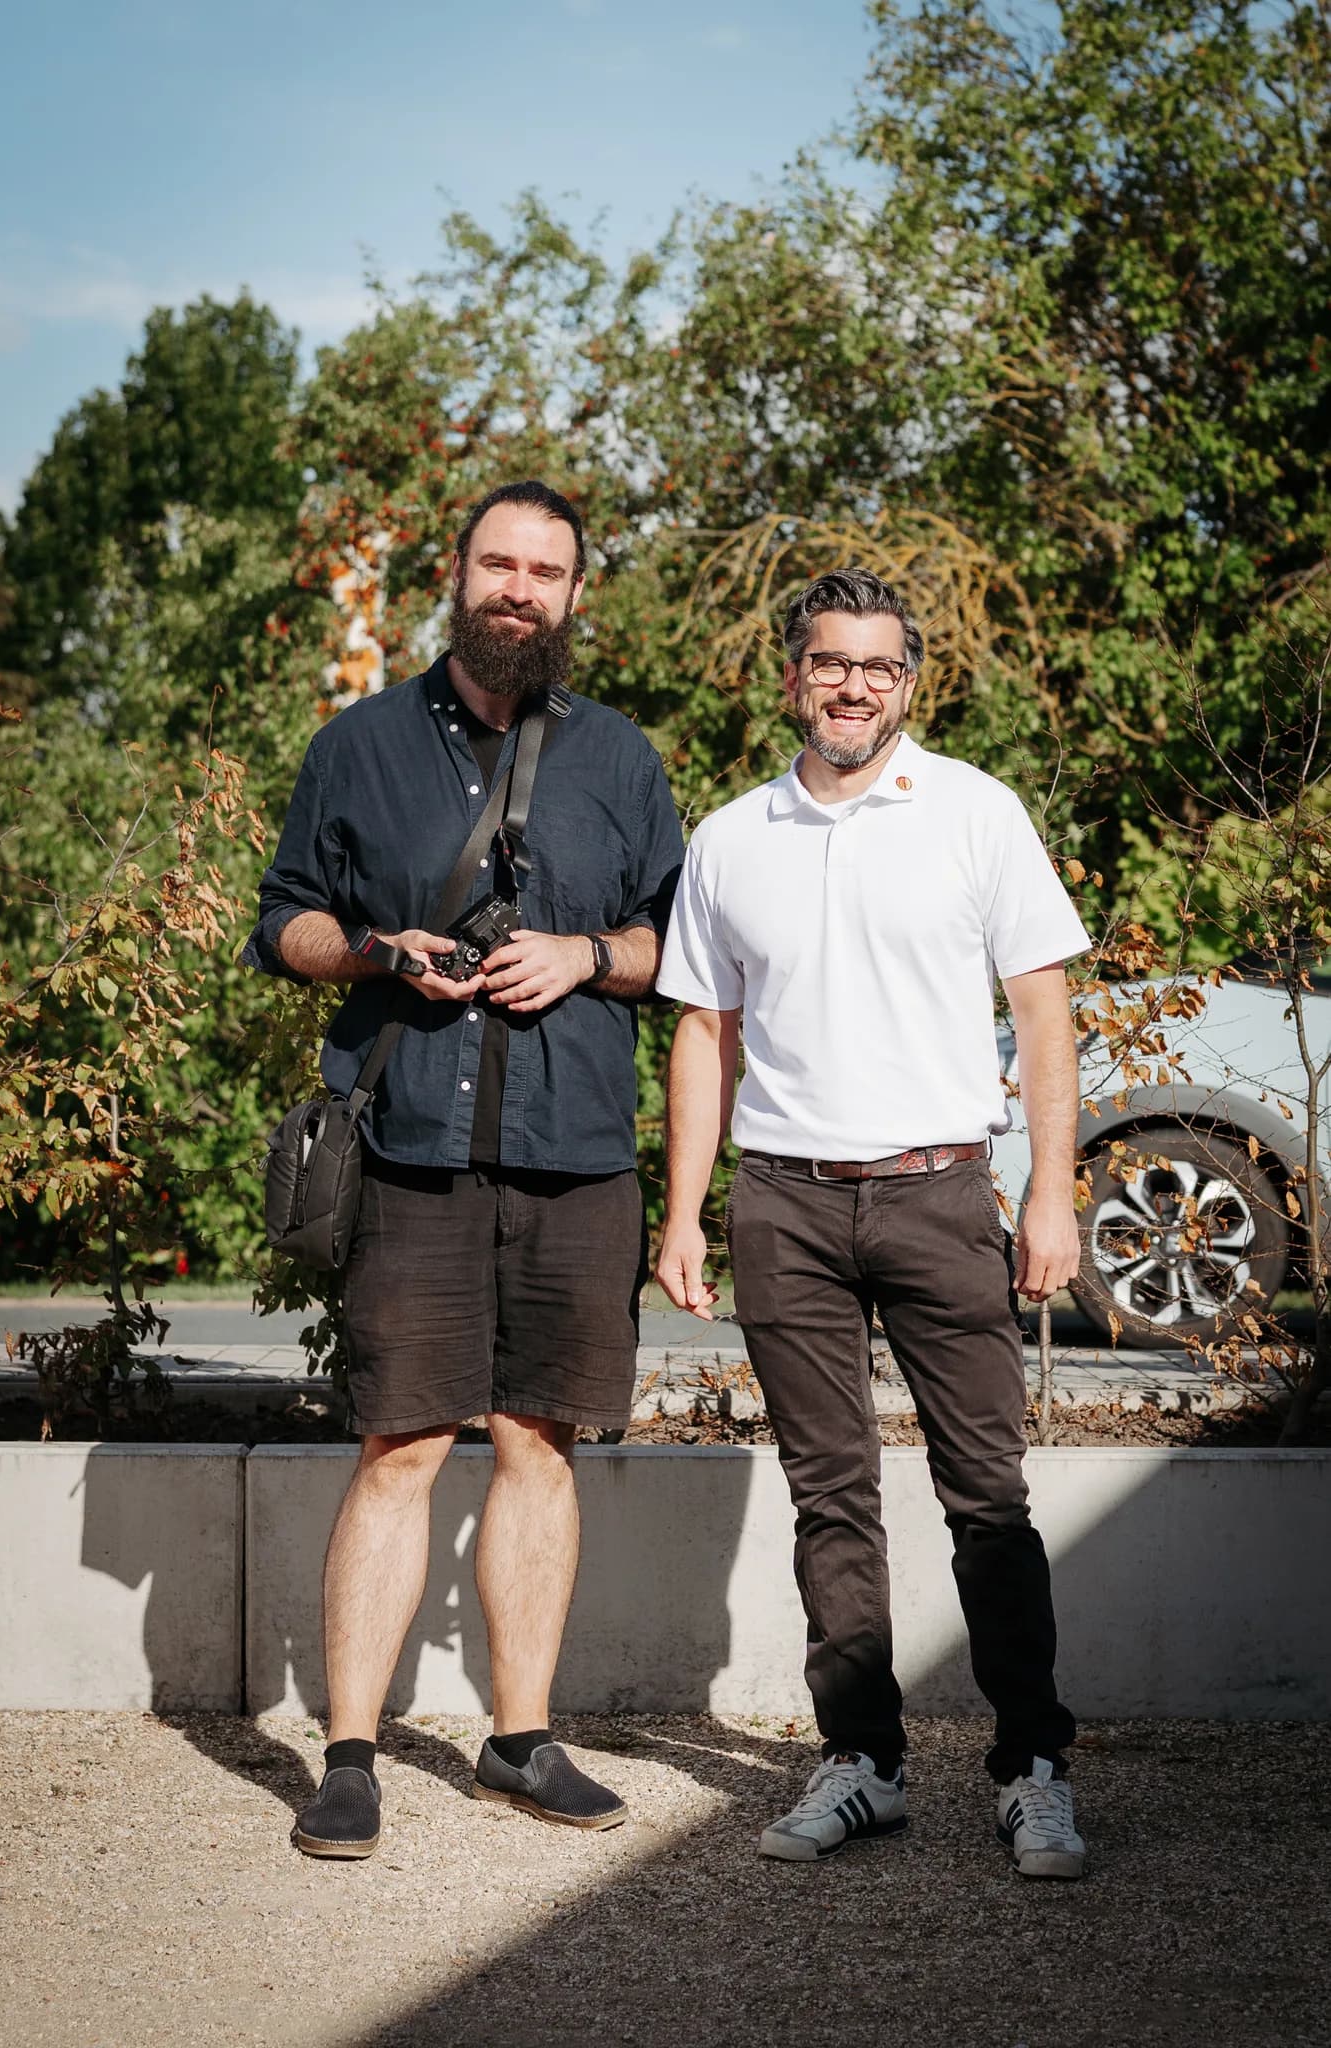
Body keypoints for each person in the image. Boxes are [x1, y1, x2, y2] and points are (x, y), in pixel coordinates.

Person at [244, 480, 683, 1858]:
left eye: (545, 572)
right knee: (403, 1446)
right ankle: (349, 1756)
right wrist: (378, 951)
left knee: (541, 1443)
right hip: (411, 1146)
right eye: (499, 563)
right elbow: (284, 924)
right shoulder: (358, 744)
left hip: (575, 1153)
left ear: (572, 593)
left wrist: (585, 956)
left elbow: (674, 944)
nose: (519, 590)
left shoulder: (621, 757)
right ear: (459, 573)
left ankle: (519, 1740)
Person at [654, 568, 1090, 1878]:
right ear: (794, 676)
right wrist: (683, 1213)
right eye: (831, 662)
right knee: (828, 1497)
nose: (854, 686)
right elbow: (703, 1032)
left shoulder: (974, 810)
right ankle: (863, 1762)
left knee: (988, 1497)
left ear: (909, 682)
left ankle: (1032, 1770)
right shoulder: (732, 835)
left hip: (938, 1191)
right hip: (782, 1202)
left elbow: (1045, 1011)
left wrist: (1050, 1188)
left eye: (879, 666)